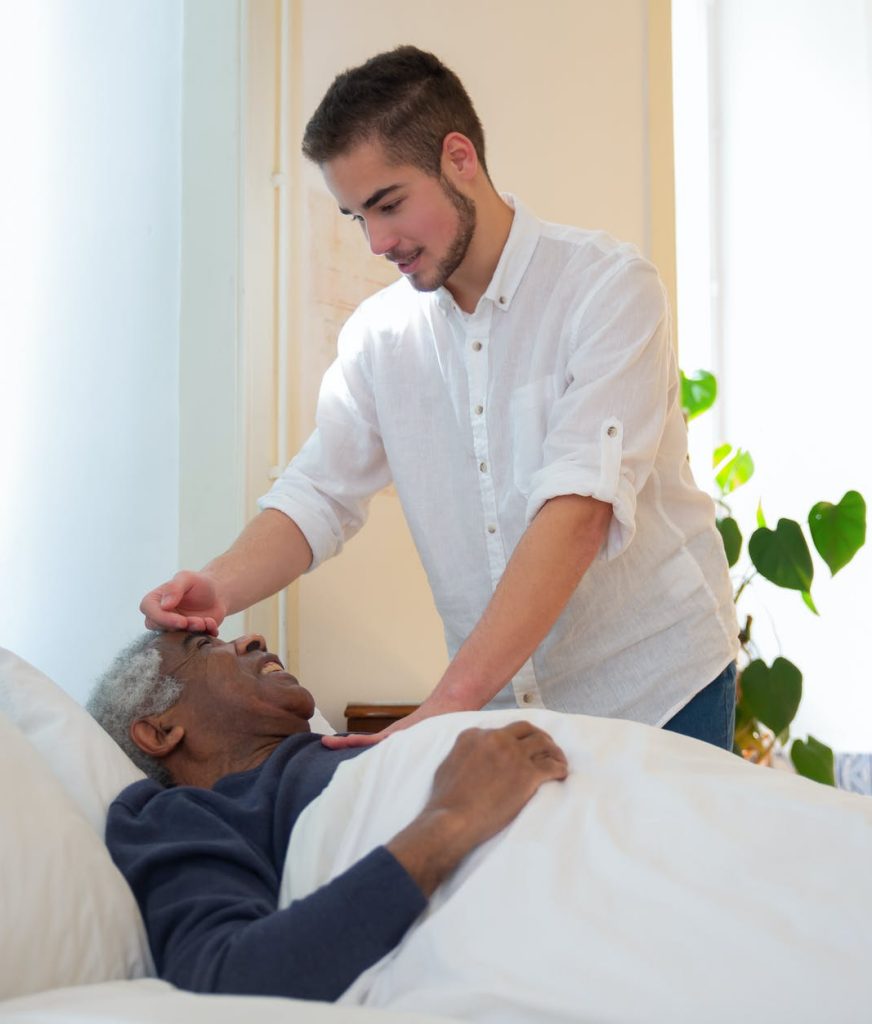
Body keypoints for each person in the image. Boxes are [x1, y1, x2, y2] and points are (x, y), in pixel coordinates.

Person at [139, 45, 739, 750]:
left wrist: (448, 703)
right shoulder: (379, 339)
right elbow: (318, 493)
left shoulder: (607, 289)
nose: (377, 241)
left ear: (460, 159)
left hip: (657, 684)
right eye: (355, 215)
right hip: (505, 702)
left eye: (389, 204)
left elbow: (578, 510)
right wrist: (219, 588)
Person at [86, 629, 568, 1001]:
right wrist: (451, 820)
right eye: (202, 645)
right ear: (161, 730)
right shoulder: (178, 814)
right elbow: (225, 981)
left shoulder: (349, 753)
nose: (253, 638)